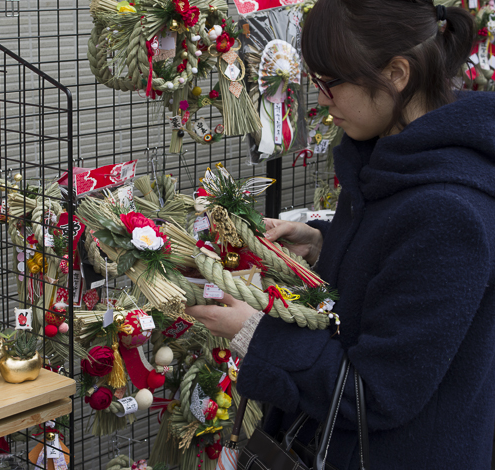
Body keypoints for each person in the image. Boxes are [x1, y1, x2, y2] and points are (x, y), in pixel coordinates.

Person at [186, 1, 495, 468]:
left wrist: (254, 333)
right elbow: (397, 261)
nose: (322, 100)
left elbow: (378, 393)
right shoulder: (392, 155)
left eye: (330, 83)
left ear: (396, 73)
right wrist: (322, 241)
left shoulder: (449, 212)